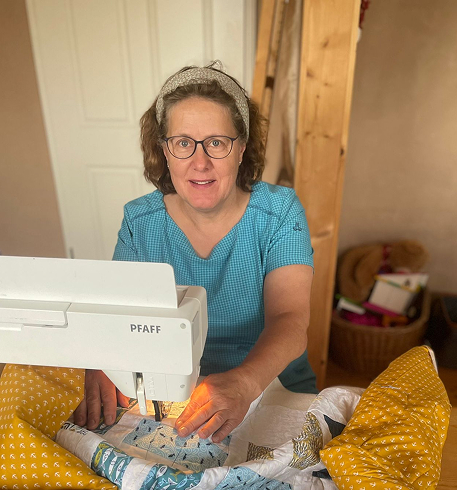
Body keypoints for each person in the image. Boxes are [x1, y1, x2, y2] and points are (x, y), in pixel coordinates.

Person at [74, 63, 317, 442]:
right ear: (164, 150)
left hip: (270, 384)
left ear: (241, 148)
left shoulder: (280, 212)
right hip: (170, 390)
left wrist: (243, 382)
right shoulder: (139, 221)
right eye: (183, 143)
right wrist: (103, 360)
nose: (199, 162)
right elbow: (118, 315)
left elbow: (290, 319)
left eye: (216, 143)